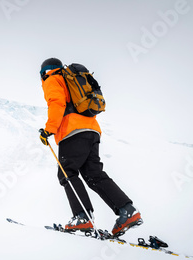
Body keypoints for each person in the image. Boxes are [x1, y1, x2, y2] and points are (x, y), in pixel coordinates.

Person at [38, 57, 142, 237]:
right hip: (92, 131)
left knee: (67, 172)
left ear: (44, 72)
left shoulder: (53, 79)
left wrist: (48, 130)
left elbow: (57, 103)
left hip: (72, 133)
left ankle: (82, 217)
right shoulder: (73, 79)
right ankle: (127, 211)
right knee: (94, 175)